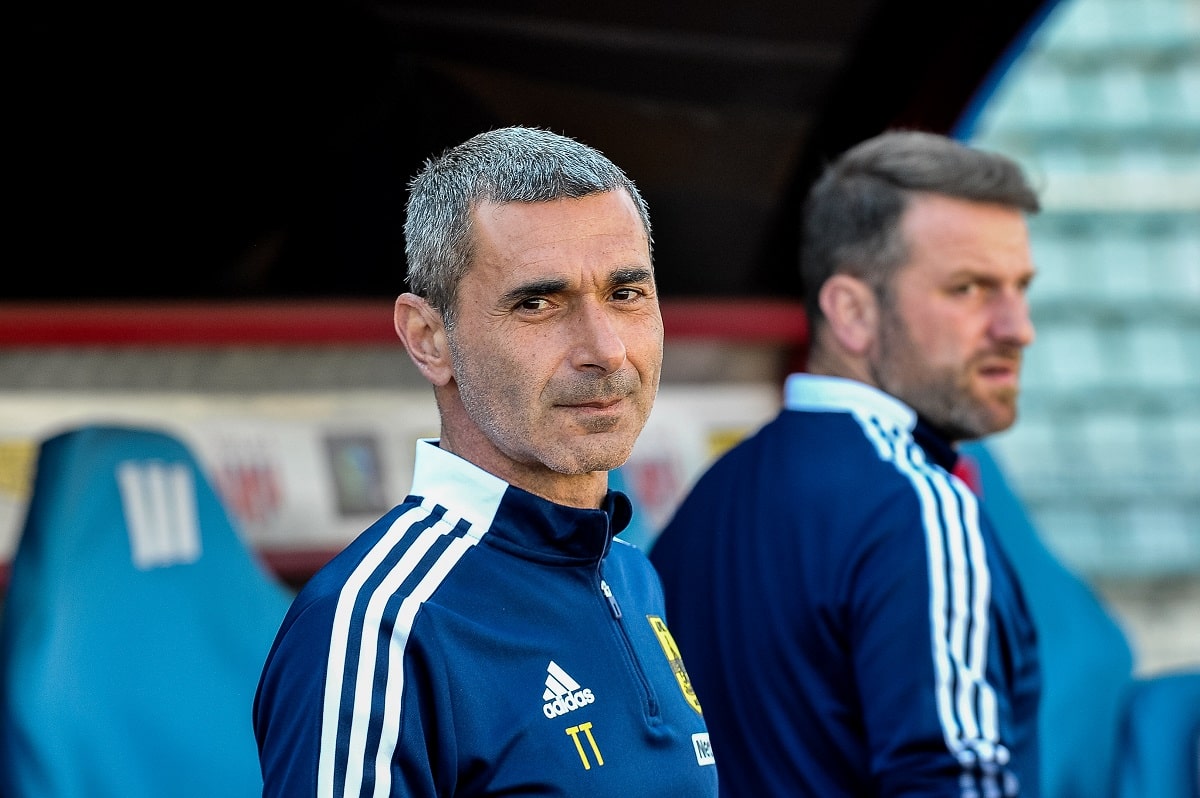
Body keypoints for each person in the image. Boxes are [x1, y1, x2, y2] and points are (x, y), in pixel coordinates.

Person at [253, 126, 718, 796]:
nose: (605, 350)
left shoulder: (630, 573)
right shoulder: (380, 625)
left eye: (625, 293)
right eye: (537, 303)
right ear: (428, 339)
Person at [649, 130, 1043, 797]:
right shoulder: (918, 505)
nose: (1017, 327)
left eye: (1020, 288)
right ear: (852, 313)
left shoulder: (710, 502)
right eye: (971, 288)